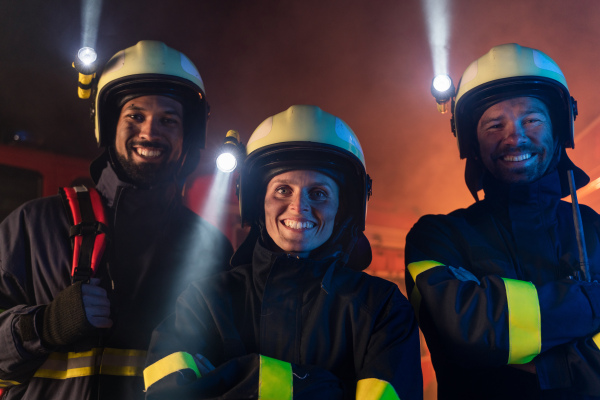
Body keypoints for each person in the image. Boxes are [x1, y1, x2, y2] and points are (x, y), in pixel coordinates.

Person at [0, 40, 233, 399]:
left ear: (188, 136)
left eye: (168, 120)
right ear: (109, 126)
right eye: (135, 116)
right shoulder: (32, 227)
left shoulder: (212, 249)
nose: (150, 132)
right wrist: (44, 326)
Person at [143, 105, 423, 399]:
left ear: (342, 209)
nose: (299, 206)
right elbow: (164, 393)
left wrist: (234, 381)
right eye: (282, 190)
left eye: (319, 194)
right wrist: (321, 388)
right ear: (256, 202)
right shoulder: (206, 301)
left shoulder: (383, 308)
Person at [404, 43, 600, 399]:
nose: (516, 137)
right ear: (472, 144)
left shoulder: (594, 227)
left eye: (532, 119)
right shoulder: (436, 237)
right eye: (495, 124)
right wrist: (592, 303)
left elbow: (492, 329)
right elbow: (467, 331)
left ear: (559, 131)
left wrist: (523, 351)